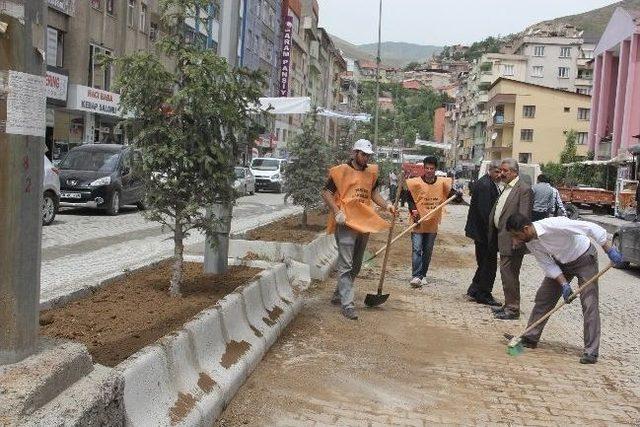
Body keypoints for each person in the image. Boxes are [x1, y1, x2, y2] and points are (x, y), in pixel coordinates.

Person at [504, 213, 624, 364]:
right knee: (544, 297)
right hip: (562, 263)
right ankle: (530, 337)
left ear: (526, 229)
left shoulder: (554, 225)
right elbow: (547, 264)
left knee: (589, 303)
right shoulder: (531, 242)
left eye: (516, 235)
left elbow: (590, 227)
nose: (515, 241)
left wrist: (609, 250)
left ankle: (591, 351)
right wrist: (564, 284)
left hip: (584, 257)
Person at [322, 139, 396, 320]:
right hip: (346, 222)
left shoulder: (371, 173)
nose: (365, 158)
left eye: (368, 155)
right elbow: (326, 192)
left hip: (364, 223)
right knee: (346, 265)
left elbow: (374, 193)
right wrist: (337, 211)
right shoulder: (341, 171)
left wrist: (387, 206)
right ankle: (348, 304)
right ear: (354, 153)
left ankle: (339, 294)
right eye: (363, 154)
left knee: (356, 265)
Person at [489, 159, 533, 320]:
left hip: (513, 240)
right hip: (503, 237)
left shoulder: (523, 189)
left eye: (505, 171)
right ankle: (508, 304)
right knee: (506, 273)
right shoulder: (507, 187)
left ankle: (513, 309)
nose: (501, 173)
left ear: (514, 172)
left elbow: (523, 217)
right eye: (500, 170)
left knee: (510, 274)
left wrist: (518, 239)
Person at [405, 156, 458, 288]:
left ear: (435, 169)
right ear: (424, 168)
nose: (429, 171)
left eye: (432, 168)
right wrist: (414, 213)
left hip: (432, 223)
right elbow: (410, 199)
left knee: (427, 250)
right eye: (427, 168)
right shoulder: (416, 183)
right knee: (417, 249)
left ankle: (423, 274)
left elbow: (452, 195)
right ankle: (416, 276)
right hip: (417, 222)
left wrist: (458, 195)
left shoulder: (441, 183)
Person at [465, 160, 502, 306]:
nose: (500, 175)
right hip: (484, 234)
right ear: (490, 170)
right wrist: (492, 234)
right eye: (497, 172)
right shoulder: (486, 185)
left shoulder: (489, 183)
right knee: (488, 264)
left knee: (484, 263)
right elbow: (485, 212)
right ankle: (484, 294)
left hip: (482, 233)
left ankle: (474, 289)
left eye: (501, 172)